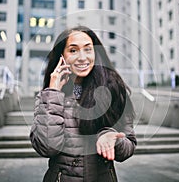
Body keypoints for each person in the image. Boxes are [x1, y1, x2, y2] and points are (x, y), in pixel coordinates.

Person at [30, 26, 136, 182]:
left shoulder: (113, 88)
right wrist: (53, 91)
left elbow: (129, 146)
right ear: (62, 56)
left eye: (88, 49)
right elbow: (47, 147)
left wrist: (113, 138)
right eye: (73, 50)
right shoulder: (49, 95)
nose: (82, 57)